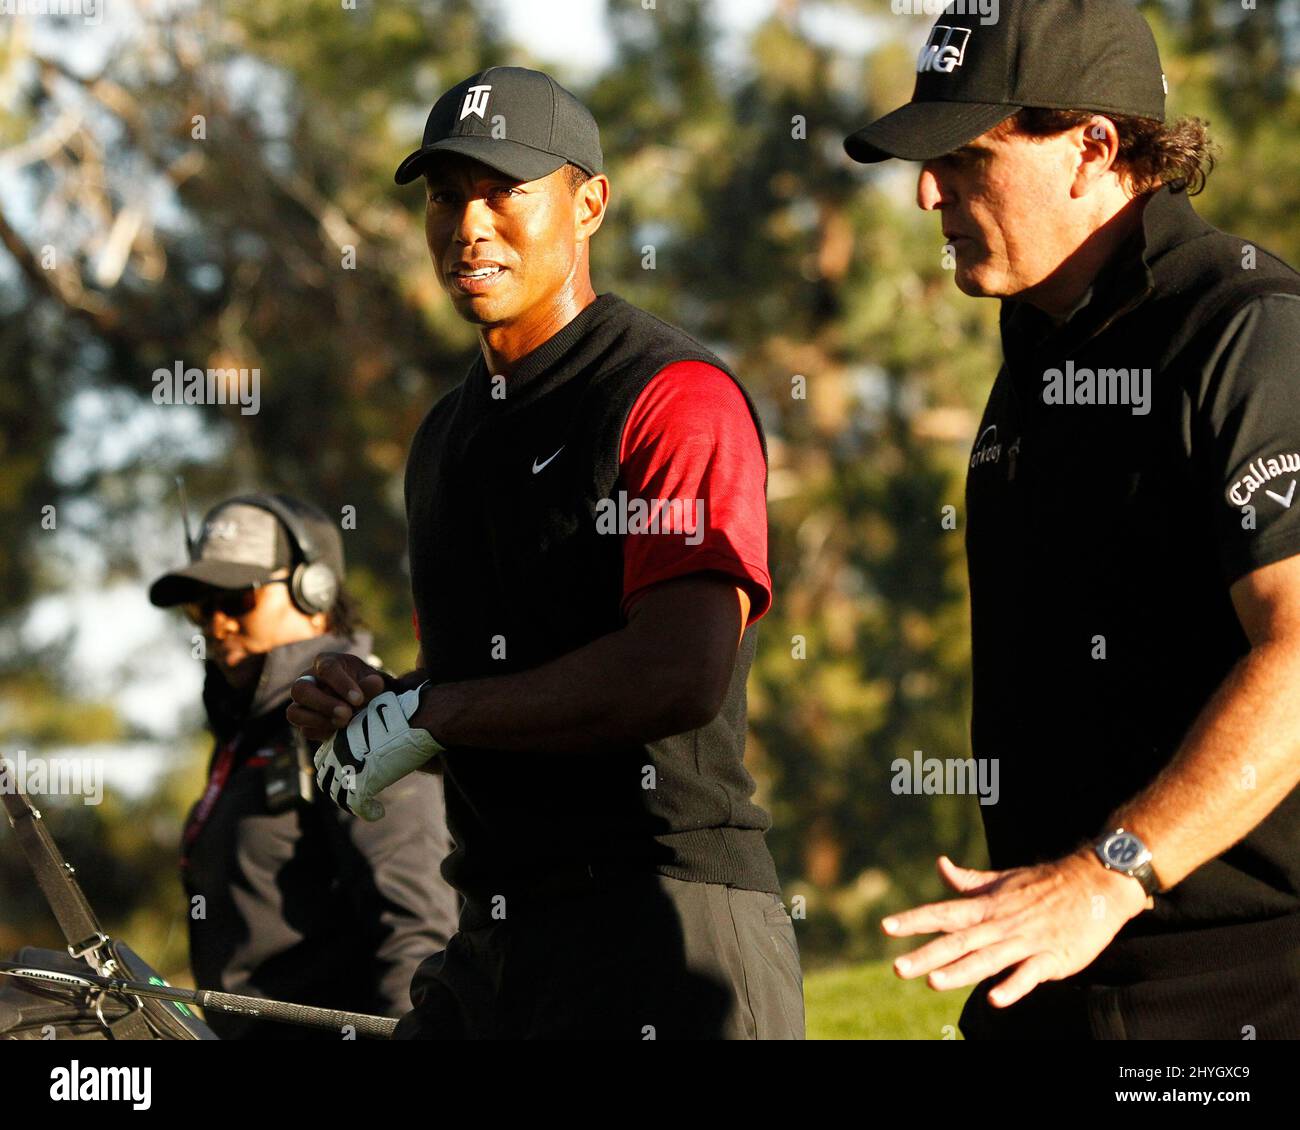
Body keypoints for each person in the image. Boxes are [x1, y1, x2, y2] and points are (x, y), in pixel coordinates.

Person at [289, 66, 804, 1040]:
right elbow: (497, 687)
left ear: (590, 203)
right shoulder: (444, 437)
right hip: (491, 939)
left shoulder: (670, 394)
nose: (468, 224)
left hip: (664, 922)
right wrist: (383, 701)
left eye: (503, 190)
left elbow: (679, 669)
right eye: (446, 195)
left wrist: (432, 709)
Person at [844, 0, 1300, 1039]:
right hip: (1057, 969)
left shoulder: (1242, 329)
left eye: (964, 158)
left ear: (1093, 148)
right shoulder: (1035, 352)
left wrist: (1108, 874)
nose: (926, 192)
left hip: (1241, 987)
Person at [149, 492, 458, 1038]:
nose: (216, 626)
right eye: (201, 607)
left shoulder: (360, 720)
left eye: (237, 599)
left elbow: (417, 932)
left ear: (312, 592)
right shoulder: (244, 740)